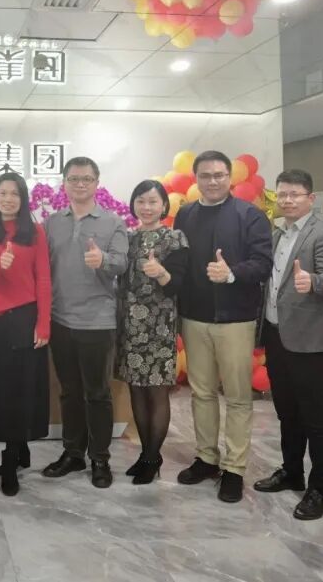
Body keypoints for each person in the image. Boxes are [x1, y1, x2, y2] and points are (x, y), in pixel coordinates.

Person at [174, 150, 272, 503]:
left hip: (236, 319)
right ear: (196, 178)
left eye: (219, 175)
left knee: (237, 396)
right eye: (205, 175)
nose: (212, 181)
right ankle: (206, 458)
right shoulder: (185, 215)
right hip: (194, 317)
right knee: (201, 393)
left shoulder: (250, 215)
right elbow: (180, 263)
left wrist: (231, 273)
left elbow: (263, 263)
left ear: (229, 177)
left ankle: (234, 468)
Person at [252, 169, 323, 521]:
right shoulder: (277, 233)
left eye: (295, 194)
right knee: (287, 412)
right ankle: (292, 472)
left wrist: (313, 281)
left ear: (310, 198)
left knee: (315, 416)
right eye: (283, 194)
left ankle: (320, 489)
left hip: (309, 340)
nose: (287, 200)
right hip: (277, 335)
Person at [42, 156, 129, 489]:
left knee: (97, 393)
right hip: (60, 319)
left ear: (97, 183)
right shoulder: (51, 223)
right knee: (69, 392)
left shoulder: (113, 222)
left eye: (87, 179)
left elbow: (121, 264)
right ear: (64, 183)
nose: (80, 184)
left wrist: (102, 259)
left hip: (97, 321)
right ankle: (73, 453)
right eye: (74, 179)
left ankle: (100, 459)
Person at [0, 173, 51, 496]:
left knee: (25, 388)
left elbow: (43, 278)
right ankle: (13, 451)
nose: (8, 199)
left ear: (23, 199)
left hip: (27, 317)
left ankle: (15, 452)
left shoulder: (35, 232)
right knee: (4, 390)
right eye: (3, 193)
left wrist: (44, 324)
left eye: (14, 194)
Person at [116, 180, 188, 485]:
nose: (146, 207)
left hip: (159, 325)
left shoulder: (174, 238)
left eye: (153, 201)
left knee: (156, 391)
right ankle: (146, 454)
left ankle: (151, 456)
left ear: (164, 206)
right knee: (136, 389)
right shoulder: (127, 238)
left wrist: (162, 274)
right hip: (129, 325)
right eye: (141, 201)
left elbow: (179, 284)